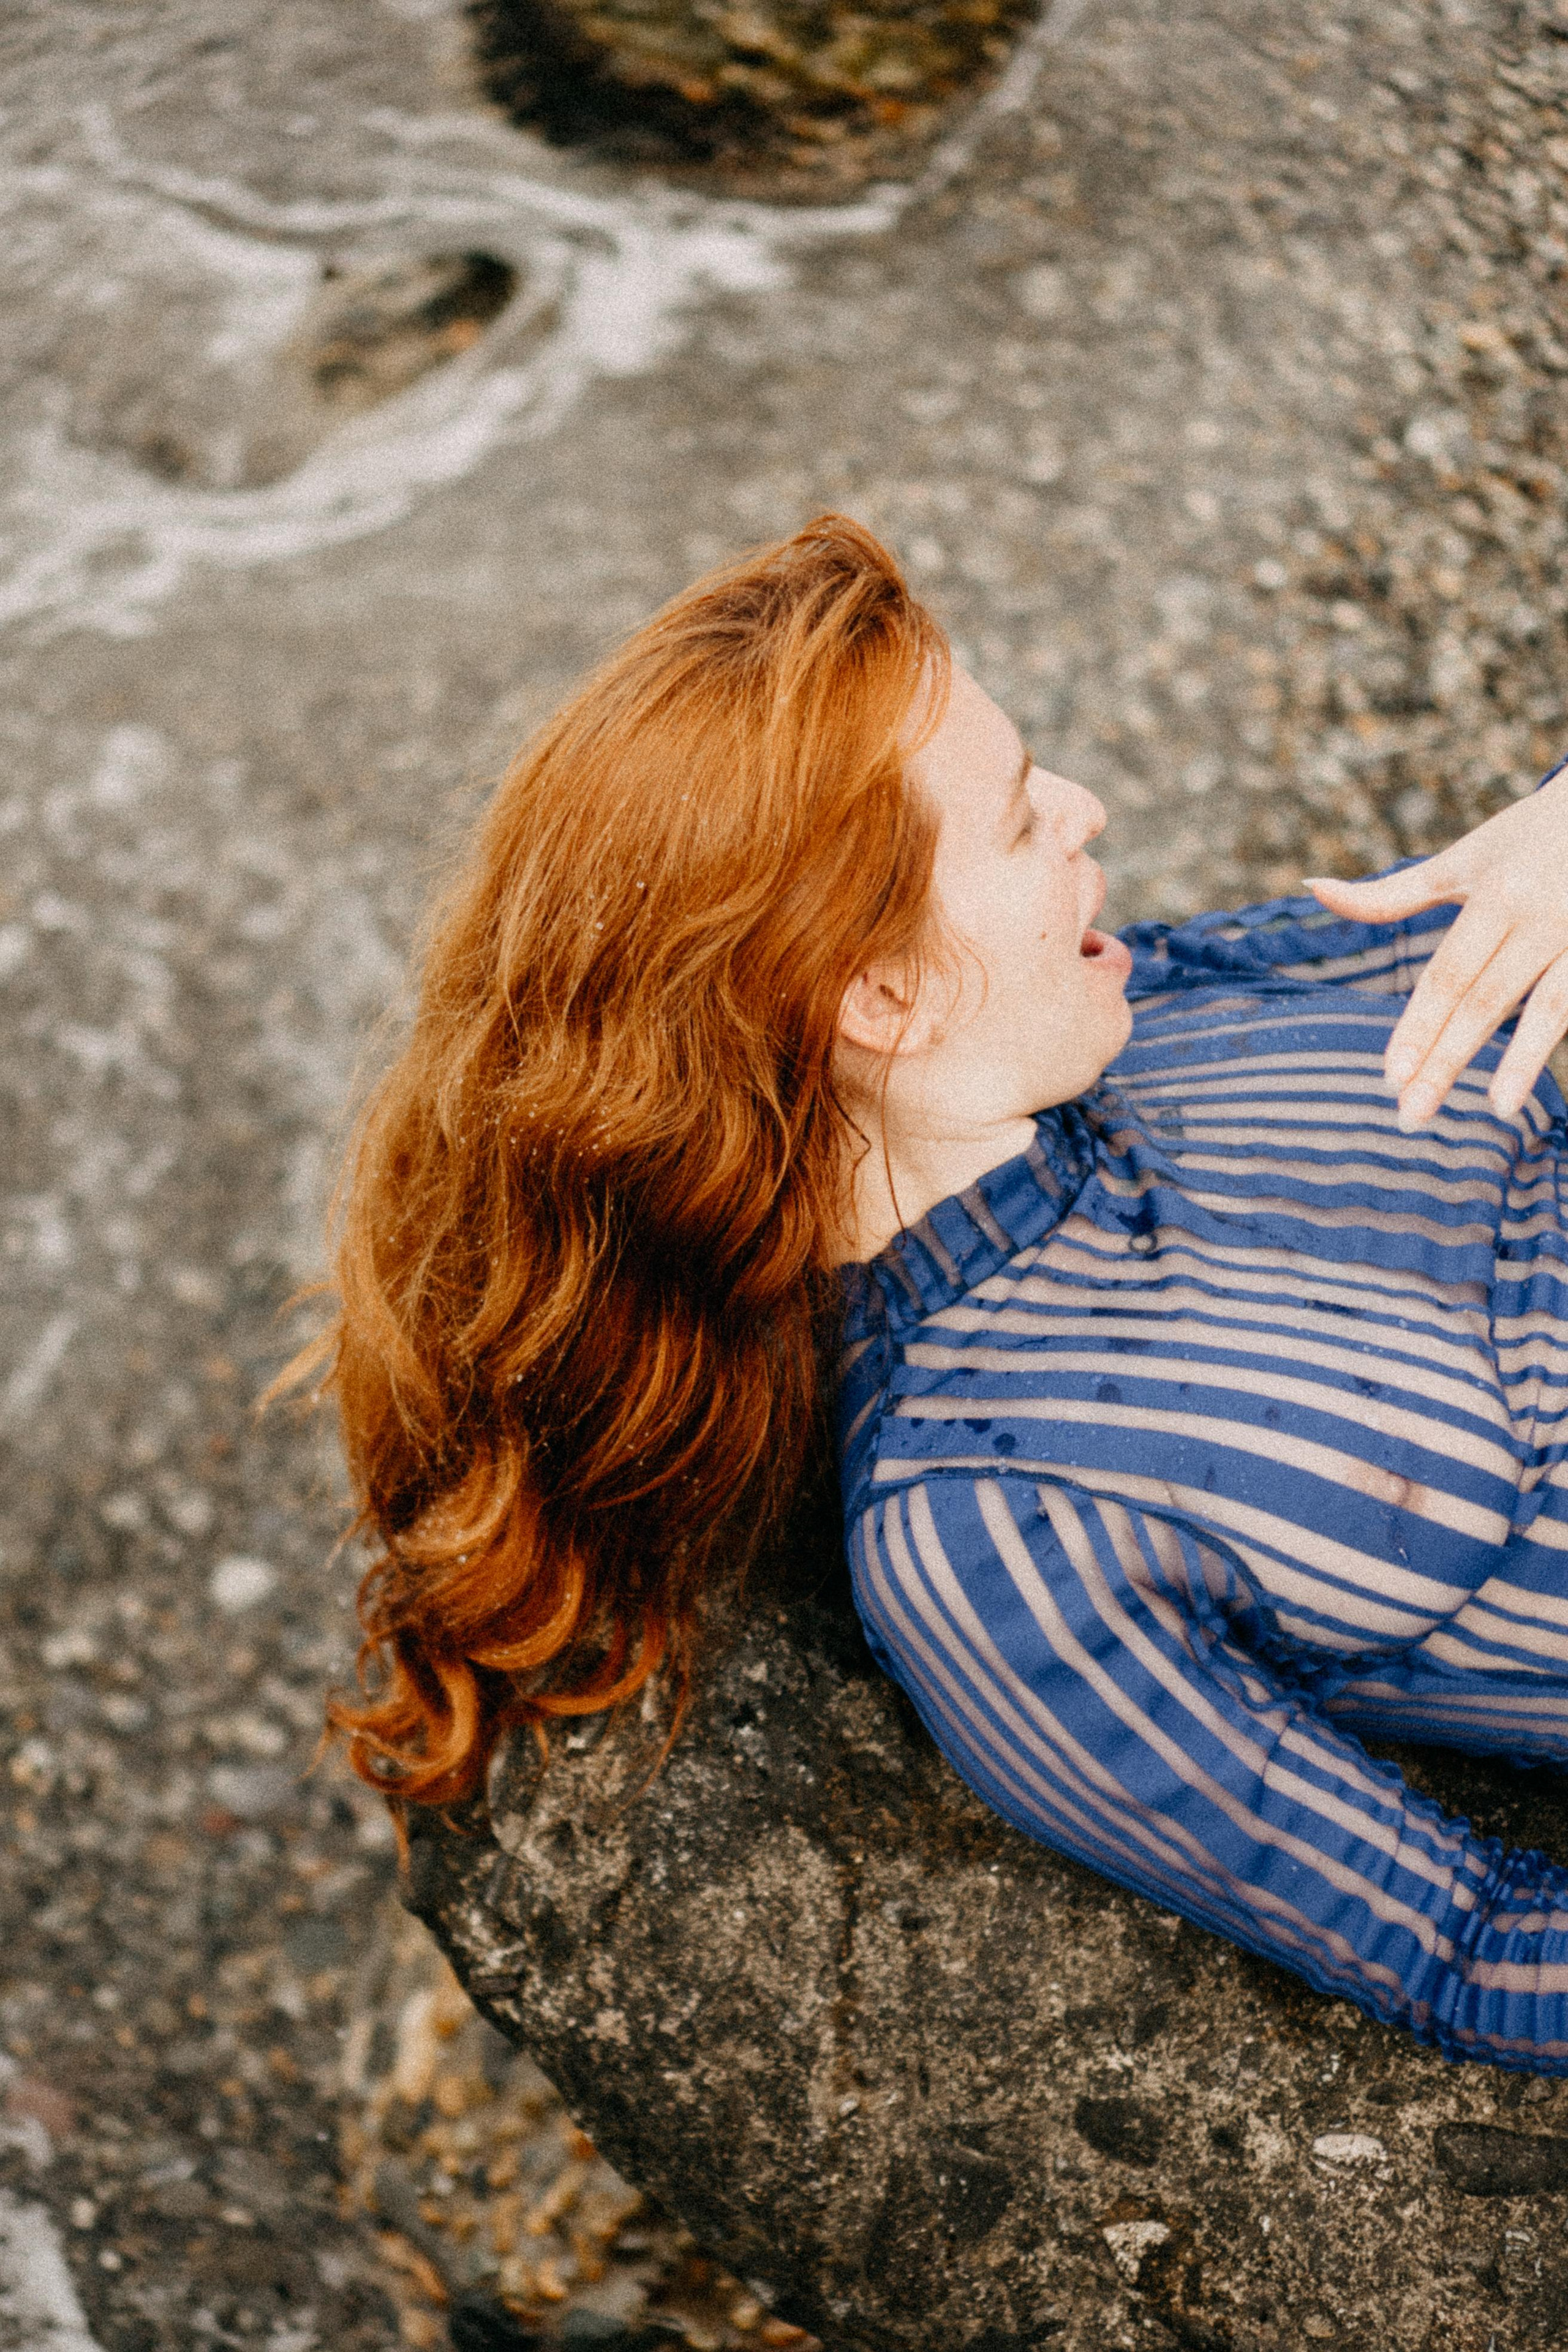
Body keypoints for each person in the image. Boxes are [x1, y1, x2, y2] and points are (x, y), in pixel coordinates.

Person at [304, 514, 1568, 2073]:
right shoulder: (994, 1533)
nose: (1088, 809)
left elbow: (1500, 929)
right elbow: (1461, 1946)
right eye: (1026, 817)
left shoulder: (1144, 992)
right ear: (884, 997)